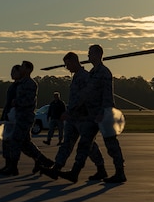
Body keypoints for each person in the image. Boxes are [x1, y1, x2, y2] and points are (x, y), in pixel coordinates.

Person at [60, 44, 125, 184]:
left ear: (98, 54)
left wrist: (103, 112)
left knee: (111, 145)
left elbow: (107, 95)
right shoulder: (93, 72)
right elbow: (86, 94)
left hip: (104, 114)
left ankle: (120, 172)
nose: (88, 55)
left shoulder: (104, 72)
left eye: (91, 53)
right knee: (85, 143)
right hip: (92, 115)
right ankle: (75, 172)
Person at [43, 52, 107, 181]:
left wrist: (70, 111)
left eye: (68, 64)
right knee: (67, 144)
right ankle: (56, 169)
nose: (67, 68)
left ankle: (100, 169)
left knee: (88, 146)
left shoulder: (84, 77)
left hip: (84, 118)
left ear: (73, 61)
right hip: (74, 118)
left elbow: (83, 98)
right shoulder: (77, 76)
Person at [0, 61, 54, 176]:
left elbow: (28, 100)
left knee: (16, 141)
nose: (21, 68)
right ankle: (42, 161)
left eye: (22, 67)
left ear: (27, 69)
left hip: (24, 117)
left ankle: (13, 167)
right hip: (16, 117)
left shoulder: (30, 83)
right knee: (25, 143)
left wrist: (16, 102)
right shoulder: (20, 83)